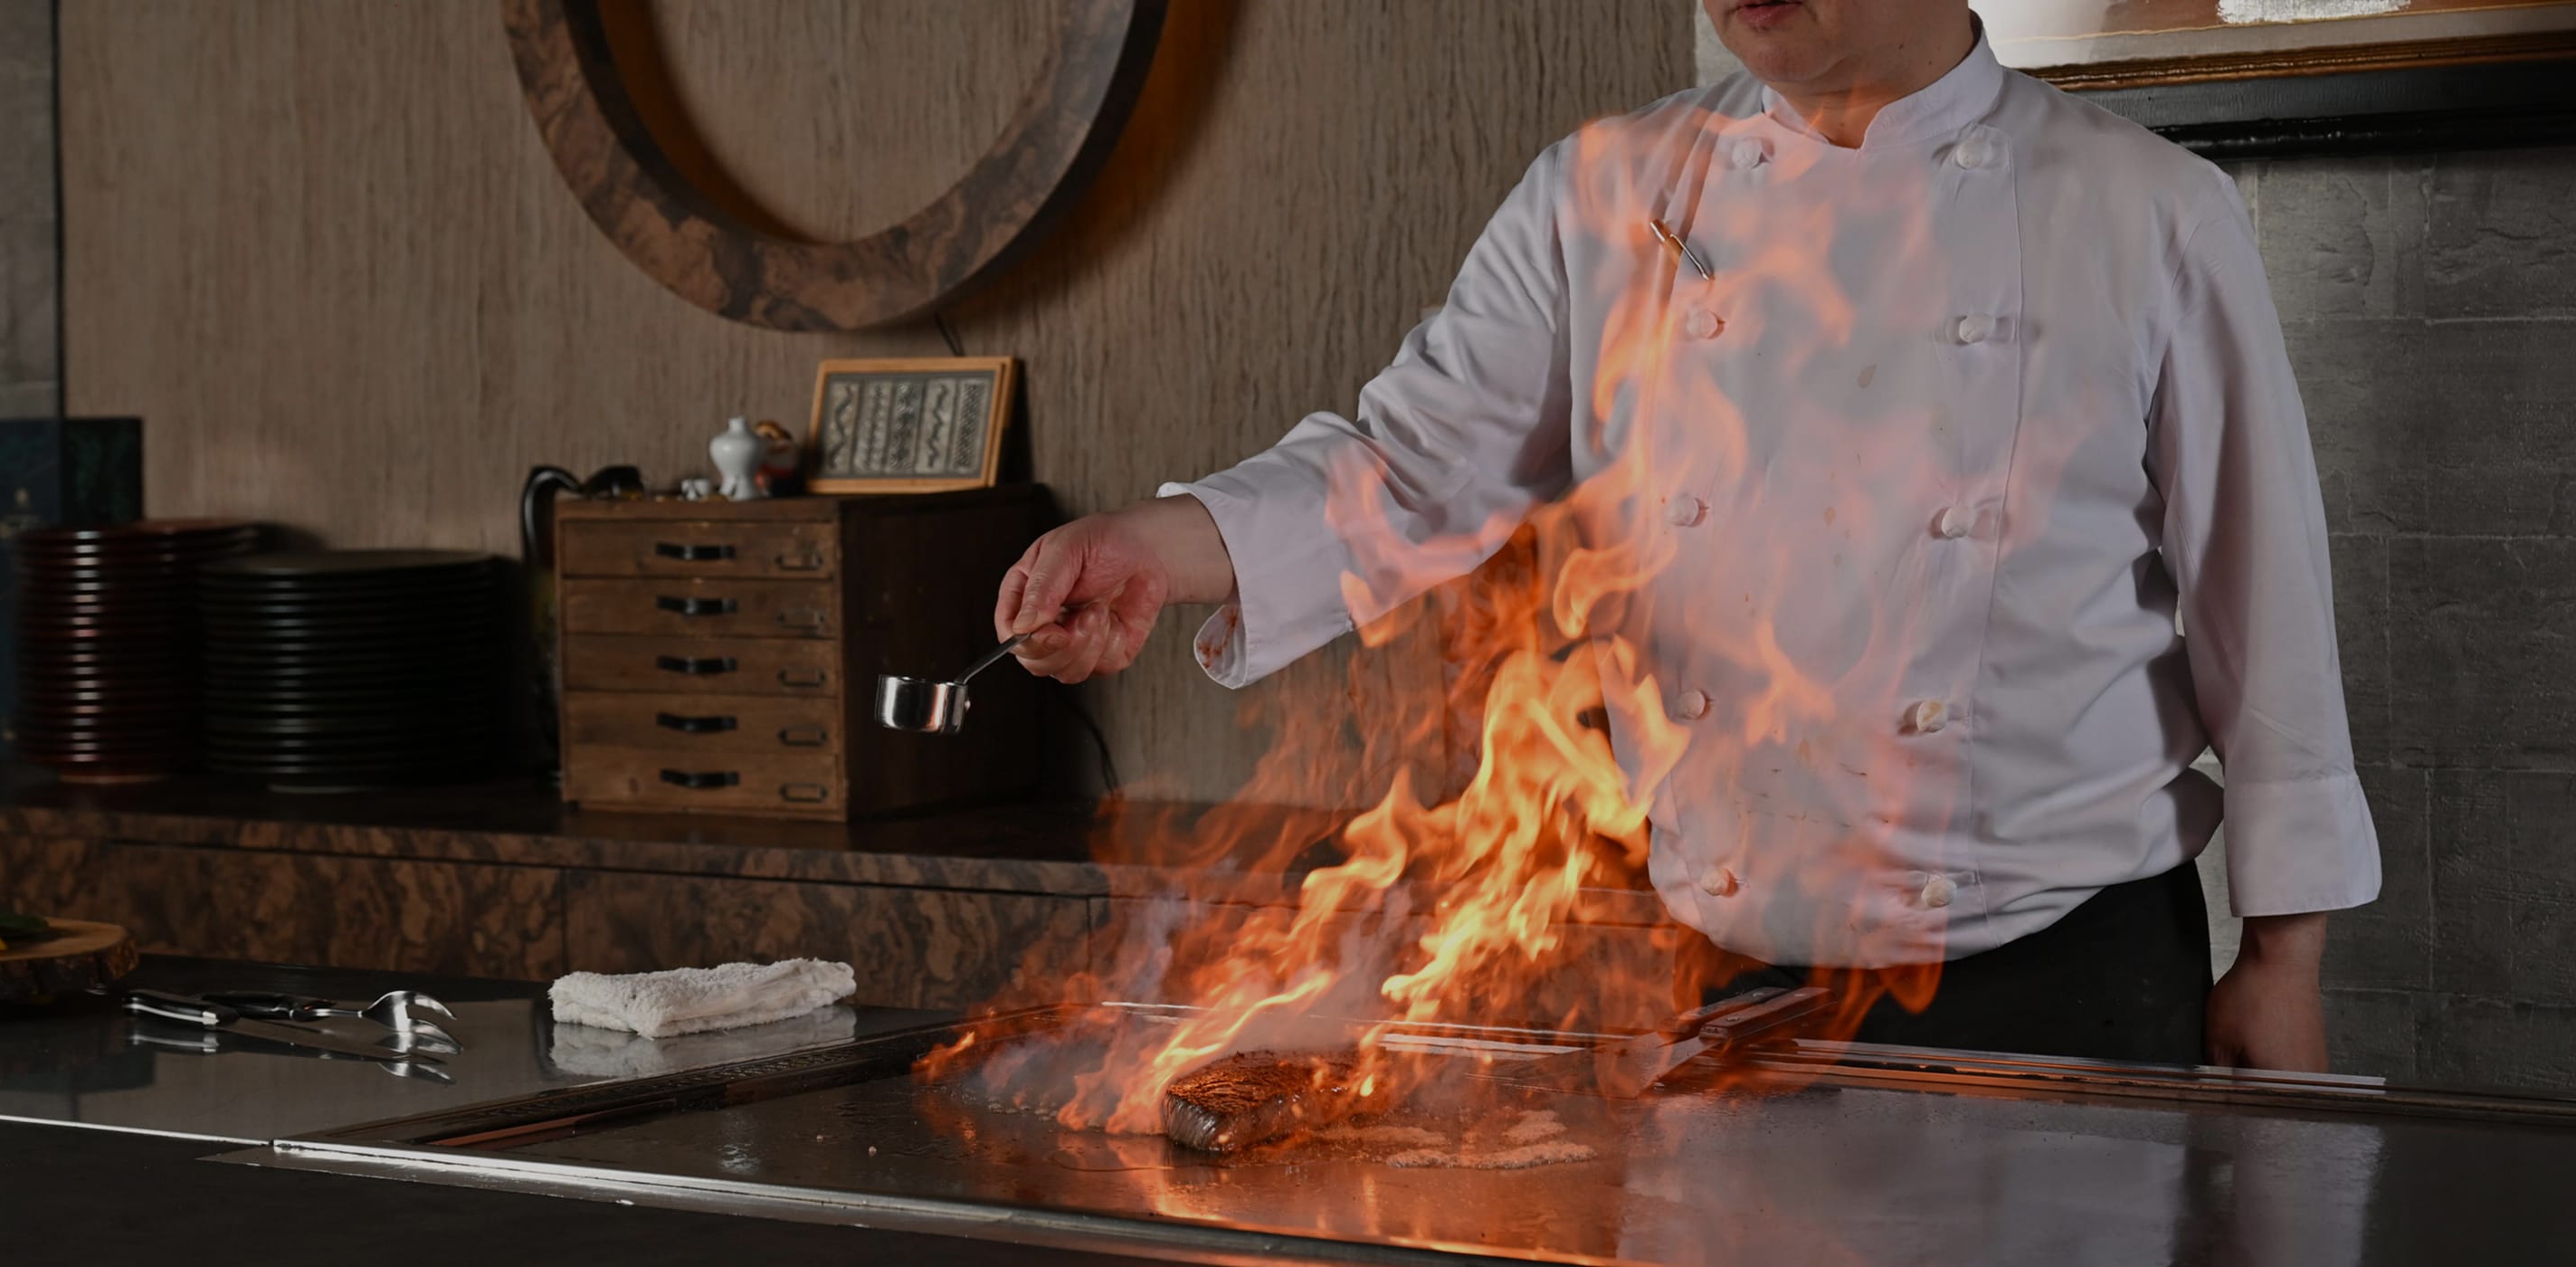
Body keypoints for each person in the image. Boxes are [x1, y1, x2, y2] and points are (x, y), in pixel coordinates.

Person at [990, 0, 2380, 1071]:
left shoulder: (2145, 209)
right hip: (1724, 982)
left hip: (2068, 981)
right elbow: (1405, 466)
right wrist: (1159, 550)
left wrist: (2288, 955)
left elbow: (2262, 604)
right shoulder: (1607, 194)